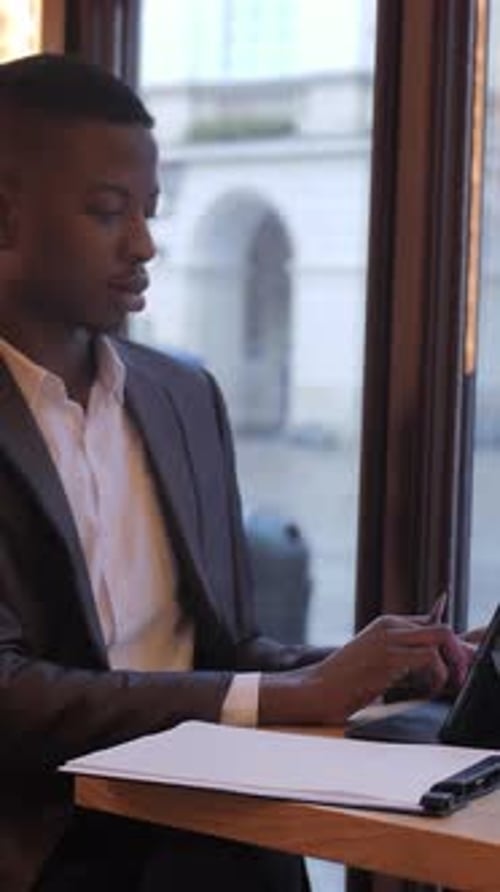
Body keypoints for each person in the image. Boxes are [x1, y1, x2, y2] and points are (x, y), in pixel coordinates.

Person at [0, 53, 474, 892]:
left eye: (150, 210)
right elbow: (12, 696)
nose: (145, 244)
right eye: (109, 212)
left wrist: (372, 667)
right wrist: (289, 696)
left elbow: (223, 651)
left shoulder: (180, 394)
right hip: (44, 842)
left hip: (214, 824)